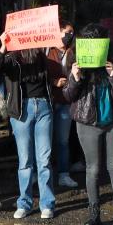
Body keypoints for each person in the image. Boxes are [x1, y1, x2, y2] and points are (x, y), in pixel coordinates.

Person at [63, 24, 113, 225]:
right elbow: (68, 96)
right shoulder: (75, 61)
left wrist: (112, 75)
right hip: (87, 122)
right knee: (93, 169)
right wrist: (75, 78)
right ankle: (94, 214)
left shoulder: (112, 61)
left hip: (111, 122)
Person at [0, 32, 55, 219]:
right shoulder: (11, 58)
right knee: (25, 160)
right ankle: (24, 203)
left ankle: (47, 204)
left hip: (43, 107)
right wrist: (3, 44)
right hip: (21, 110)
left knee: (44, 159)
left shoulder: (43, 54)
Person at [46, 20, 79, 188]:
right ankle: (45, 174)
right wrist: (54, 82)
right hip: (49, 101)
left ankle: (64, 174)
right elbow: (39, 75)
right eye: (66, 33)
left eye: (72, 33)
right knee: (46, 141)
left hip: (66, 101)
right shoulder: (46, 51)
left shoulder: (73, 52)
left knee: (63, 140)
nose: (69, 36)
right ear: (57, 33)